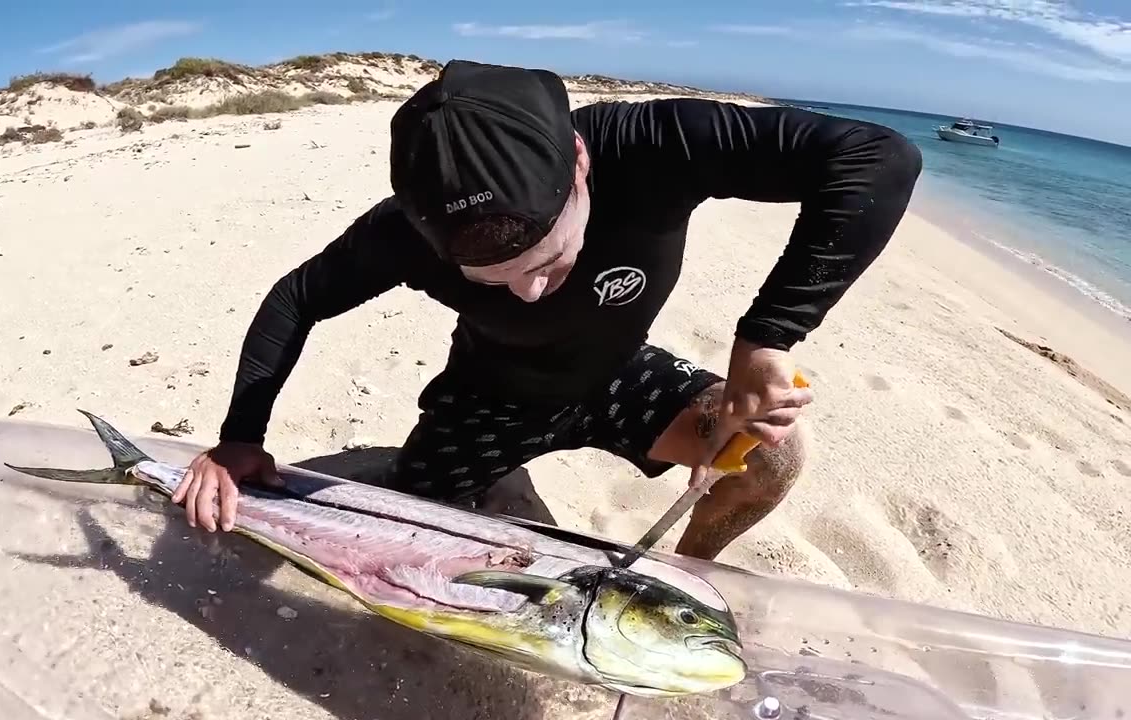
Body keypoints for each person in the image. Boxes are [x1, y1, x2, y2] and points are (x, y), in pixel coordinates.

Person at [172, 59, 922, 561]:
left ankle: (685, 577)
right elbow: (297, 296)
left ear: (579, 165)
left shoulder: (649, 146)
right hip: (486, 397)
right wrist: (239, 439)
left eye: (548, 261)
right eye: (492, 279)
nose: (531, 290)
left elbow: (878, 159)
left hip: (618, 374)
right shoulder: (404, 233)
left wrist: (768, 337)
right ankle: (455, 475)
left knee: (776, 455)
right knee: (417, 533)